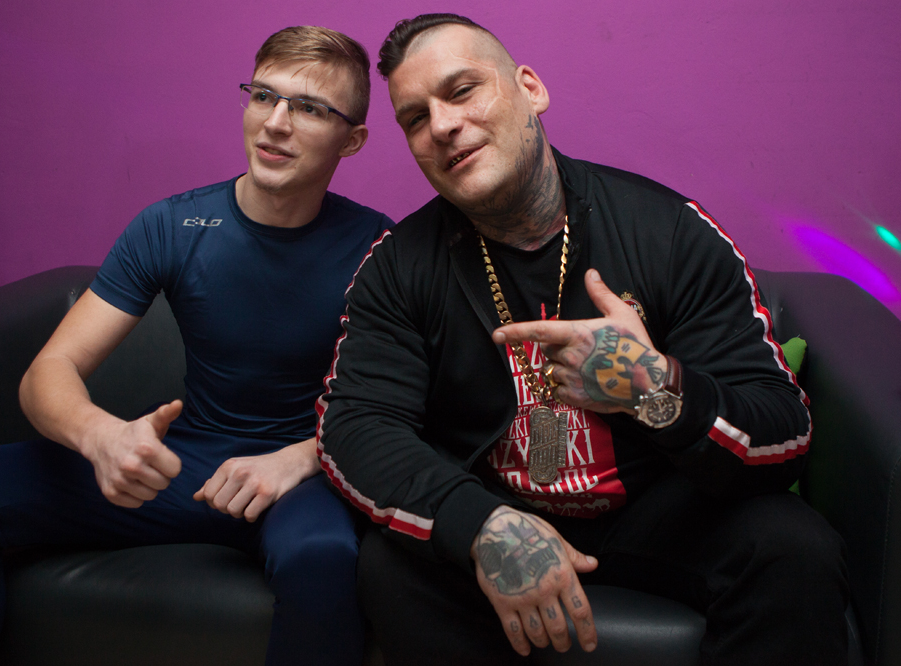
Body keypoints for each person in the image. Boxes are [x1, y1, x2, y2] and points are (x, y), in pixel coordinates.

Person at [317, 13, 848, 666]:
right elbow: (355, 426)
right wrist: (480, 524)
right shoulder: (398, 265)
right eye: (415, 119)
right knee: (389, 567)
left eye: (462, 91)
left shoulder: (669, 232)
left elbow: (783, 432)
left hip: (658, 510)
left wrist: (652, 389)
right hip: (498, 507)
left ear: (530, 89)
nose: (443, 125)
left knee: (794, 548)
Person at [0, 25, 392, 666]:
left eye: (308, 108)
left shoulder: (378, 246)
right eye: (263, 96)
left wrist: (303, 457)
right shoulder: (173, 225)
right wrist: (101, 437)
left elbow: (401, 404)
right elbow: (48, 370)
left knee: (323, 558)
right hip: (186, 465)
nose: (275, 123)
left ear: (351, 140)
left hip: (300, 476)